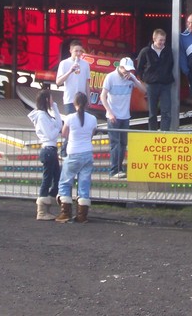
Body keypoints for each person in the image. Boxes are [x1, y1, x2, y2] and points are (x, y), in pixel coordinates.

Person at [56, 92, 98, 223]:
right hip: (87, 152)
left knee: (65, 182)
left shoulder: (70, 118)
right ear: (86, 104)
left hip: (73, 152)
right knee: (84, 184)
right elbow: (91, 135)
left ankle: (65, 213)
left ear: (74, 104)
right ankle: (82, 215)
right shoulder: (93, 119)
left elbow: (64, 134)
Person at [101, 56, 146, 177]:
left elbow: (144, 90)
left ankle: (119, 168)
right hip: (113, 115)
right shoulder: (110, 77)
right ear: (120, 67)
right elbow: (103, 96)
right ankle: (114, 170)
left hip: (125, 116)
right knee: (115, 143)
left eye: (129, 70)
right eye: (125, 70)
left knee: (123, 143)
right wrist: (109, 112)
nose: (127, 72)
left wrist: (134, 80)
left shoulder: (130, 78)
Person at [28, 88, 63, 221]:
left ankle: (45, 206)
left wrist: (55, 110)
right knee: (48, 178)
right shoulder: (42, 116)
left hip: (50, 149)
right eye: (51, 98)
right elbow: (52, 133)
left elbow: (58, 126)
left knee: (55, 178)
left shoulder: (45, 115)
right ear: (47, 99)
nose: (53, 100)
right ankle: (42, 210)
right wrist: (57, 128)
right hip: (48, 149)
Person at [136, 28, 175, 131]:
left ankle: (164, 133)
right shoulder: (146, 51)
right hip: (151, 85)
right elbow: (139, 67)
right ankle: (152, 133)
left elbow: (171, 64)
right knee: (152, 112)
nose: (162, 42)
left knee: (166, 111)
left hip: (165, 84)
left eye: (164, 40)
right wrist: (145, 80)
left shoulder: (168, 50)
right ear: (154, 39)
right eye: (160, 40)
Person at [55, 40, 91, 115]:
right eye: (76, 51)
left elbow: (87, 83)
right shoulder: (64, 63)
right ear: (71, 51)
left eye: (80, 51)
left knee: (81, 123)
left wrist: (88, 98)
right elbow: (58, 82)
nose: (78, 53)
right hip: (70, 99)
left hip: (82, 99)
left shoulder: (85, 64)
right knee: (71, 122)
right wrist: (70, 71)